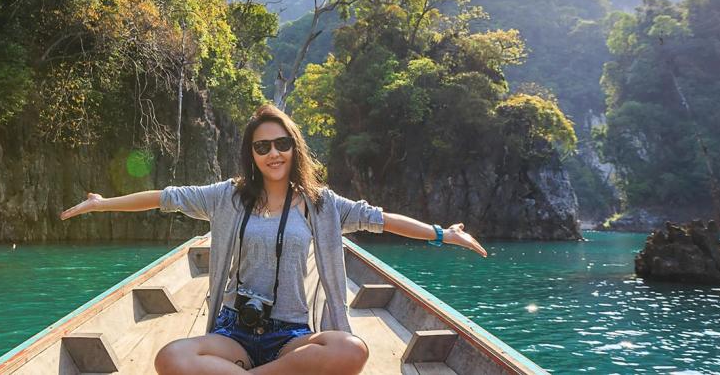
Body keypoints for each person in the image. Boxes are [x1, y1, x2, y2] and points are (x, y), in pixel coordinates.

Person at [59, 103, 487, 374]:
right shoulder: (227, 196)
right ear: (252, 154)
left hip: (291, 338)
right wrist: (101, 203)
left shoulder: (323, 205)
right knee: (168, 358)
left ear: (294, 147)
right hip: (234, 332)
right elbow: (163, 198)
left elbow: (382, 220)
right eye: (262, 147)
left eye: (281, 143)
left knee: (351, 349)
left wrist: (440, 234)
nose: (273, 153)